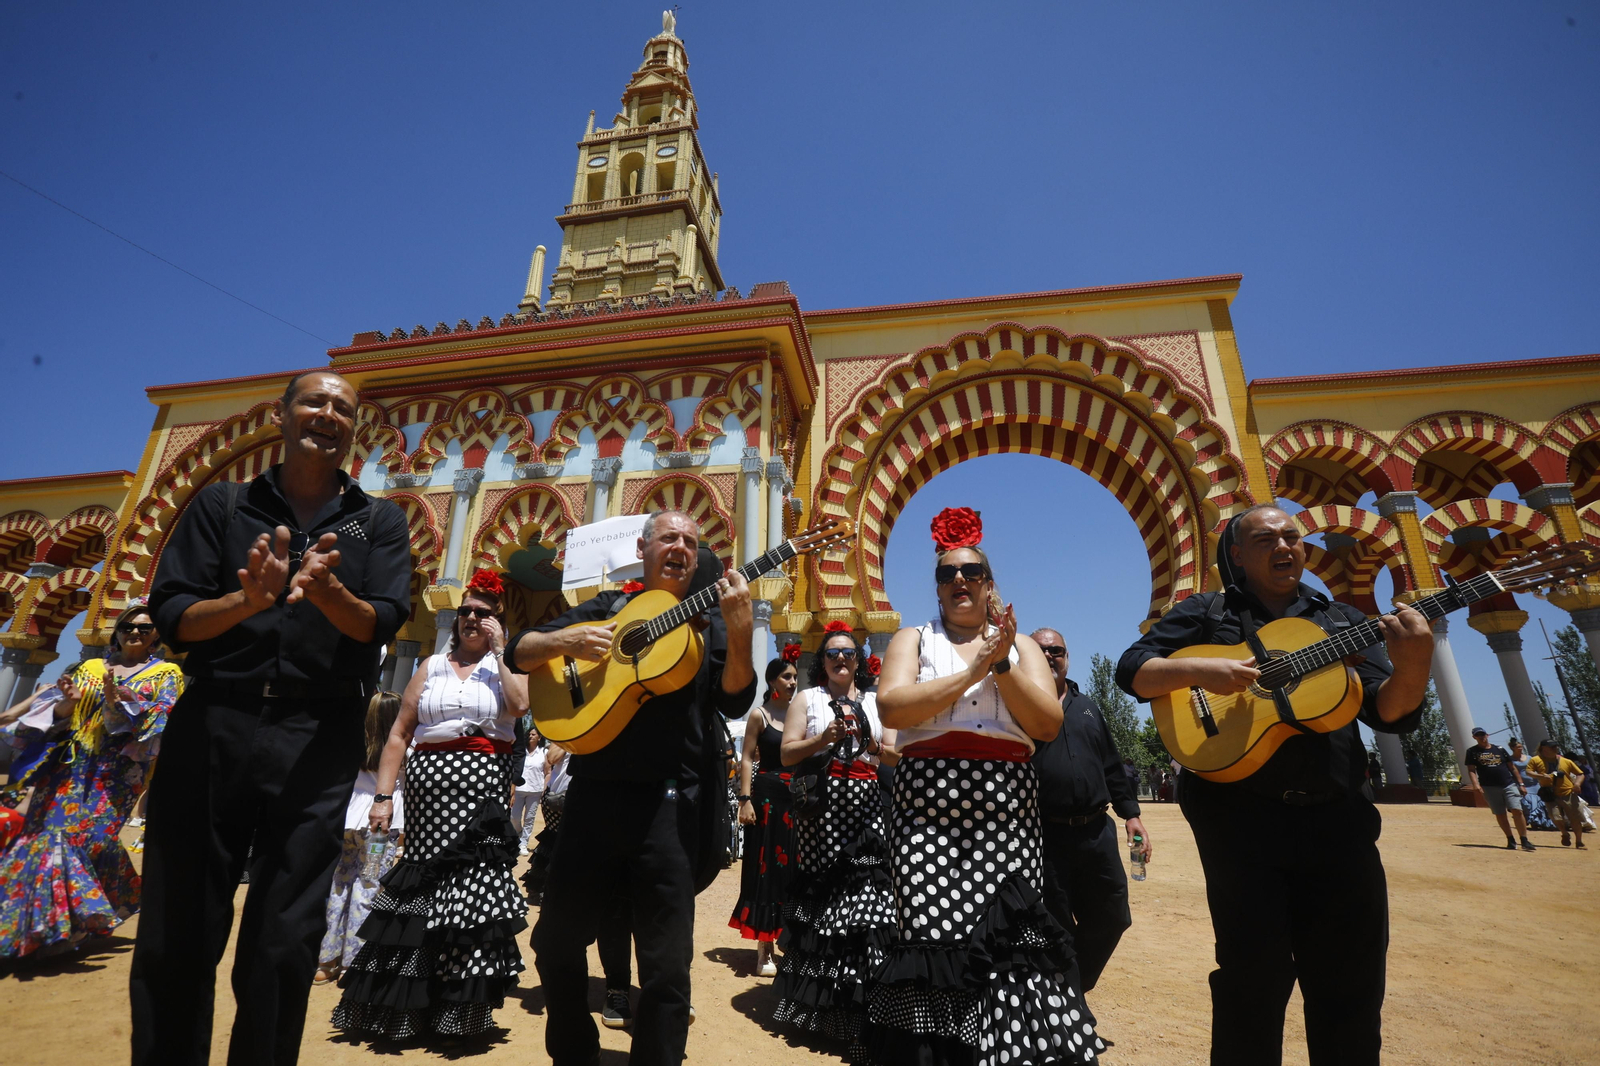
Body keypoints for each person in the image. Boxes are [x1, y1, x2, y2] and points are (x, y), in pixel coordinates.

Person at [130, 370, 413, 1066]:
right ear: (281, 416)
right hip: (215, 723)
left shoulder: (377, 522)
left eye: (343, 408)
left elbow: (380, 620)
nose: (328, 414)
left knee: (285, 937)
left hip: (316, 736)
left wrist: (326, 592)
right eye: (314, 401)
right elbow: (174, 617)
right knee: (179, 929)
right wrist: (247, 602)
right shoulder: (223, 506)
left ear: (355, 429)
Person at [1116, 503, 1433, 1066]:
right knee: (1251, 981)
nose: (1285, 547)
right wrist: (1200, 670)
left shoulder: (1338, 621)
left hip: (1339, 824)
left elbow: (1391, 713)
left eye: (1292, 537)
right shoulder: (1209, 613)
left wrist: (1414, 665)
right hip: (1241, 826)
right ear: (1238, 556)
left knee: (1352, 985)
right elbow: (1134, 669)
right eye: (1266, 540)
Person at [508, 511, 756, 1066]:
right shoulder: (614, 607)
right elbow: (519, 649)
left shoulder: (709, 621)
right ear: (643, 549)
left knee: (667, 965)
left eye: (691, 543)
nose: (681, 548)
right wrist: (565, 638)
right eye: (669, 538)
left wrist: (740, 629)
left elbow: (736, 699)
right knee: (554, 944)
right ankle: (575, 1054)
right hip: (593, 796)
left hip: (666, 805)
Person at [865, 507, 1102, 1065]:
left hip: (1006, 812)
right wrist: (972, 671)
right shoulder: (914, 639)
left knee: (1008, 939)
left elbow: (1046, 724)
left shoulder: (1021, 651)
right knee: (929, 932)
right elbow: (893, 705)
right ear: (937, 588)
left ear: (991, 586)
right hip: (926, 810)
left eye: (971, 572)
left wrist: (999, 662)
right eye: (947, 575)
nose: (959, 582)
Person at [334, 569, 530, 1039]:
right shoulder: (431, 667)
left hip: (480, 794)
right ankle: (403, 1010)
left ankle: (455, 1011)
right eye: (465, 611)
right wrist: (384, 796)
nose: (471, 619)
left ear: (497, 620)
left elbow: (521, 706)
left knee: (472, 889)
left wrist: (502, 649)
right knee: (422, 885)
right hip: (427, 796)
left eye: (483, 613)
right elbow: (399, 734)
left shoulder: (508, 667)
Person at [0, 604, 182, 960]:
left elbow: (160, 720)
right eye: (128, 626)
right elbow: (56, 716)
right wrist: (67, 705)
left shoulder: (166, 673)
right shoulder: (91, 667)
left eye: (145, 629)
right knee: (52, 838)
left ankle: (106, 903)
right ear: (116, 630)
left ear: (156, 636)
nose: (135, 633)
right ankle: (58, 928)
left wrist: (118, 702)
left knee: (94, 838)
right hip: (71, 763)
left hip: (118, 772)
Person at [772, 622, 897, 1049]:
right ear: (821, 662)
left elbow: (896, 754)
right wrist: (822, 739)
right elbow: (787, 753)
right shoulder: (808, 699)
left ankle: (859, 1004)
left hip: (866, 808)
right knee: (824, 900)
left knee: (867, 900)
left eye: (847, 653)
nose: (840, 658)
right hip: (821, 811)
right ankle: (817, 1008)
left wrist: (872, 745)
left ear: (859, 661)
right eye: (832, 653)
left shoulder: (879, 703)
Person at [1028, 628, 1148, 1026]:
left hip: (1097, 832)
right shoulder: (1019, 708)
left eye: (1056, 650)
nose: (1048, 656)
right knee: (1057, 924)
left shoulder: (1089, 708)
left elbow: (1113, 767)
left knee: (1114, 915)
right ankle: (1068, 1013)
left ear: (1067, 656)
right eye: (1039, 650)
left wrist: (1132, 815)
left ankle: (1069, 991)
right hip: (1046, 835)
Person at [314, 691, 405, 986]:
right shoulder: (403, 748)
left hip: (349, 820)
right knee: (368, 886)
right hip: (380, 826)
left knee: (339, 884)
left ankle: (326, 959)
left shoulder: (356, 743)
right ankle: (355, 962)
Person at [729, 654, 801, 977]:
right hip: (767, 799)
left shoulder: (801, 714)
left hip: (796, 801)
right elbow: (746, 758)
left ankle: (792, 941)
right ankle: (764, 947)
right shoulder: (760, 715)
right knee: (765, 870)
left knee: (795, 872)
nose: (792, 682)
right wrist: (745, 799)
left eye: (795, 677)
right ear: (773, 681)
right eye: (786, 677)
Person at [1463, 727, 1535, 851]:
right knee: (1500, 814)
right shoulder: (1472, 751)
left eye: (1483, 734)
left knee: (1517, 810)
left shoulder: (1500, 749)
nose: (1481, 737)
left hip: (1508, 784)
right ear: (1474, 737)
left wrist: (1521, 784)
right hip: (1489, 787)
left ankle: (1524, 839)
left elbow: (1512, 767)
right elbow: (1471, 769)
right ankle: (1510, 839)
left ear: (1487, 735)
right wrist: (1475, 784)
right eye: (1478, 735)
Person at [1526, 740, 1586, 849]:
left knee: (1575, 819)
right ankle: (1564, 833)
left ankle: (1579, 841)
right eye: (1552, 746)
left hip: (1568, 793)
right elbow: (1528, 772)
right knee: (1555, 817)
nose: (1555, 748)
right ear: (1544, 748)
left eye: (1556, 746)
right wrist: (1540, 776)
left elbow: (1580, 774)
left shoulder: (1566, 761)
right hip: (1550, 794)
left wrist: (1577, 783)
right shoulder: (1536, 760)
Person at [512, 722, 547, 855]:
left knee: (529, 818)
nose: (531, 736)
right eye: (529, 734)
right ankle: (518, 833)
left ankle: (523, 843)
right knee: (514, 817)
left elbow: (547, 771)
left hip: (535, 790)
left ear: (539, 737)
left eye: (534, 734)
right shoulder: (521, 752)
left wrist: (544, 788)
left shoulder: (544, 752)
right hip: (519, 789)